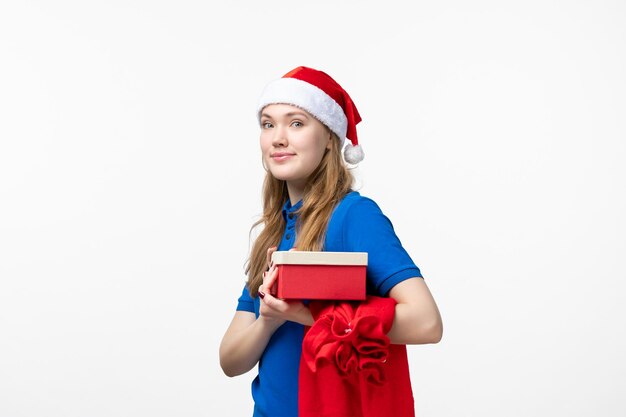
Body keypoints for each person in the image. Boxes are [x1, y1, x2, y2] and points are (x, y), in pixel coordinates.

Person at [219, 66, 443, 417]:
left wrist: (306, 315)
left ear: (328, 138)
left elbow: (427, 322)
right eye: (268, 123)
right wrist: (269, 319)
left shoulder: (354, 216)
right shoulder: (275, 232)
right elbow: (230, 361)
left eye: (296, 123)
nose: (278, 137)